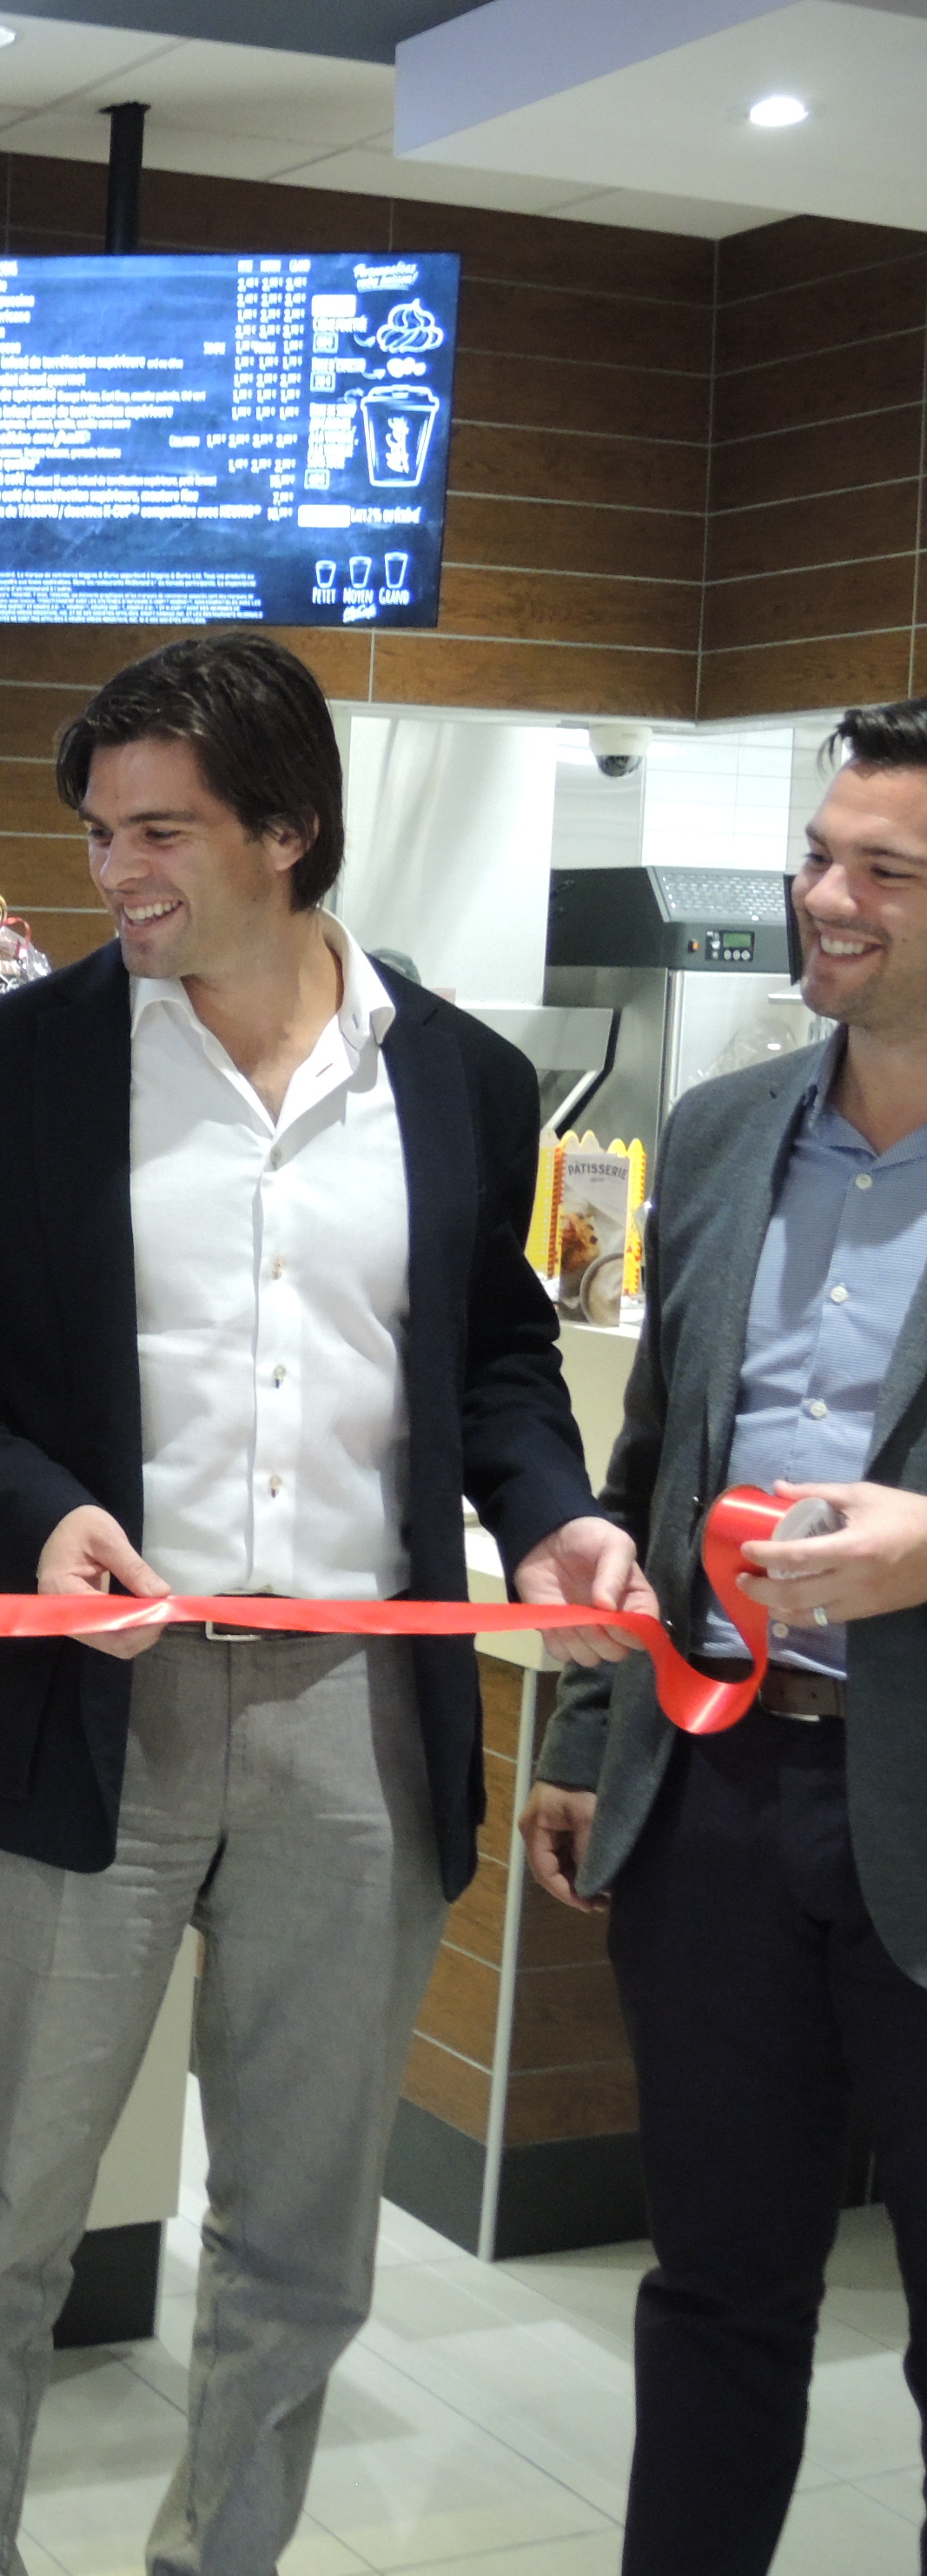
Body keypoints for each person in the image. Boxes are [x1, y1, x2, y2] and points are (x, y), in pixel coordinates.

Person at [0, 629, 645, 2576]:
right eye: (99, 832)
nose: (113, 875)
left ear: (287, 831)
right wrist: (32, 1521)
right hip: (80, 1707)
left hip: (357, 1721)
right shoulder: (10, 1068)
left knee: (298, 2237)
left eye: (159, 833)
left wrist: (540, 1517)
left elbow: (493, 1361)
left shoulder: (454, 1077)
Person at [523, 697, 927, 2576]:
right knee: (713, 2297)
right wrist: (586, 1747)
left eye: (884, 873)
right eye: (818, 857)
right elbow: (649, 1463)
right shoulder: (716, 1127)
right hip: (714, 1800)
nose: (823, 901)